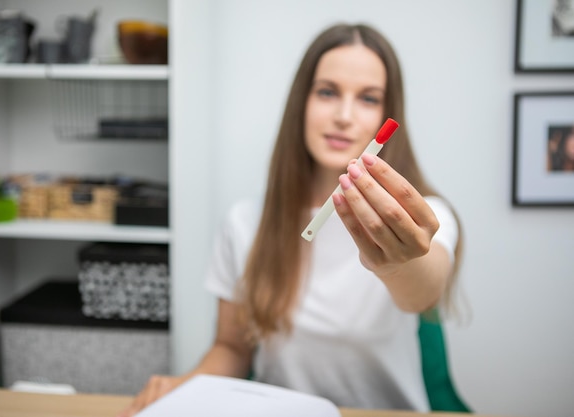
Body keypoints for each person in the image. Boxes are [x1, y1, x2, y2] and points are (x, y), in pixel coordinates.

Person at [119, 22, 463, 416]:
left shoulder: (426, 216)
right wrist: (186, 387)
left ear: (388, 115)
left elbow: (423, 292)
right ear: (302, 101)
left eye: (368, 99)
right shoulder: (245, 223)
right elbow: (232, 347)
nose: (344, 116)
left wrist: (397, 261)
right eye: (327, 92)